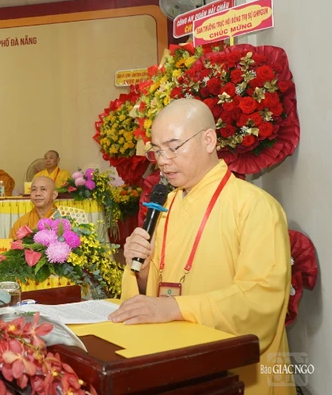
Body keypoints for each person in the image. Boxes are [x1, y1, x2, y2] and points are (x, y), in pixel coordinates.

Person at [109, 99, 293, 395]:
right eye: (157, 151)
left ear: (209, 140)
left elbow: (261, 298)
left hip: (235, 373)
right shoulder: (165, 205)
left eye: (173, 147)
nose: (163, 160)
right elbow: (152, 291)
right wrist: (141, 271)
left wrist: (175, 308)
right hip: (172, 358)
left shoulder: (255, 206)